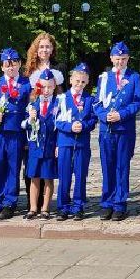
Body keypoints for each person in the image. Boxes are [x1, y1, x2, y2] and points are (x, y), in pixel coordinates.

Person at [96, 41, 140, 222]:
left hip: (124, 129)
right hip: (107, 129)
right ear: (111, 58)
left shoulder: (134, 77)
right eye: (117, 58)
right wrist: (104, 115)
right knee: (107, 166)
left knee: (122, 166)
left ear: (128, 58)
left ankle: (120, 204)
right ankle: (107, 203)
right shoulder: (104, 78)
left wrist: (121, 115)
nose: (120, 62)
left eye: (123, 59)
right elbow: (97, 102)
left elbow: (138, 102)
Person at [0, 48, 30, 221]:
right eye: (7, 64)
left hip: (16, 132)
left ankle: (9, 202)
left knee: (13, 167)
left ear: (19, 64)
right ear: (2, 67)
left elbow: (29, 108)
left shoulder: (26, 84)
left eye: (14, 64)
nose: (11, 68)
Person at [55, 63, 98, 219]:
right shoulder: (61, 98)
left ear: (87, 82)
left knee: (80, 175)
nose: (80, 84)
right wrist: (69, 126)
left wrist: (84, 125)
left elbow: (93, 120)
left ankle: (78, 206)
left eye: (83, 82)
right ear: (71, 80)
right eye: (77, 80)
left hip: (81, 143)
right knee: (64, 175)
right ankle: (63, 206)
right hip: (65, 142)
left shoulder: (89, 99)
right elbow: (56, 120)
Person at [25, 69, 60, 219]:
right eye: (43, 86)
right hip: (35, 147)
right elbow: (25, 125)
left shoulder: (58, 103)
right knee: (34, 177)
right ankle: (33, 208)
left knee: (48, 177)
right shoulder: (32, 104)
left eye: (49, 87)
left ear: (54, 86)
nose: (46, 90)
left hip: (50, 146)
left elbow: (59, 127)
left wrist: (58, 145)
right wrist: (30, 119)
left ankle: (45, 208)